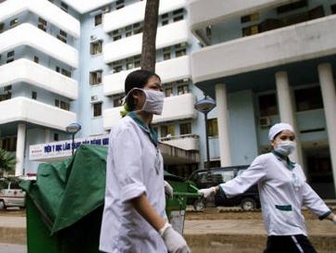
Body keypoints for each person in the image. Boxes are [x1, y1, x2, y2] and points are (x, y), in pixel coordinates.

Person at [199, 122, 336, 253]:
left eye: (291, 138)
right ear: (272, 141)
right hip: (284, 227)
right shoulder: (266, 161)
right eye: (283, 138)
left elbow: (309, 195)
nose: (288, 141)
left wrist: (332, 217)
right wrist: (214, 189)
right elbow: (242, 180)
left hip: (295, 224)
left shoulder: (296, 168)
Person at [99, 69, 190, 253]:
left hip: (147, 235)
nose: (161, 94)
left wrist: (158, 182)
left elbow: (141, 169)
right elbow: (131, 189)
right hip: (126, 239)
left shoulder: (146, 133)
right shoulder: (126, 129)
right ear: (136, 96)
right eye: (154, 88)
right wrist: (166, 231)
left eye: (161, 89)